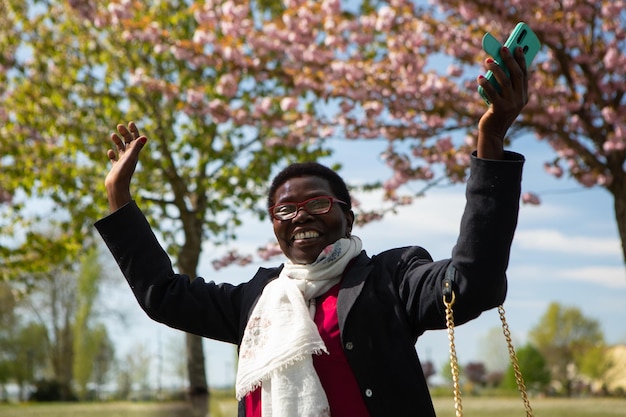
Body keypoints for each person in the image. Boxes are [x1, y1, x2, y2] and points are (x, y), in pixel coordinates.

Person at [95, 45, 529, 417]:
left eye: (317, 204)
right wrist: (120, 198)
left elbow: (473, 284)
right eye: (285, 210)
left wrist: (490, 141)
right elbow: (163, 296)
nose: (300, 217)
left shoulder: (391, 277)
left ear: (348, 217)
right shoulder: (256, 299)